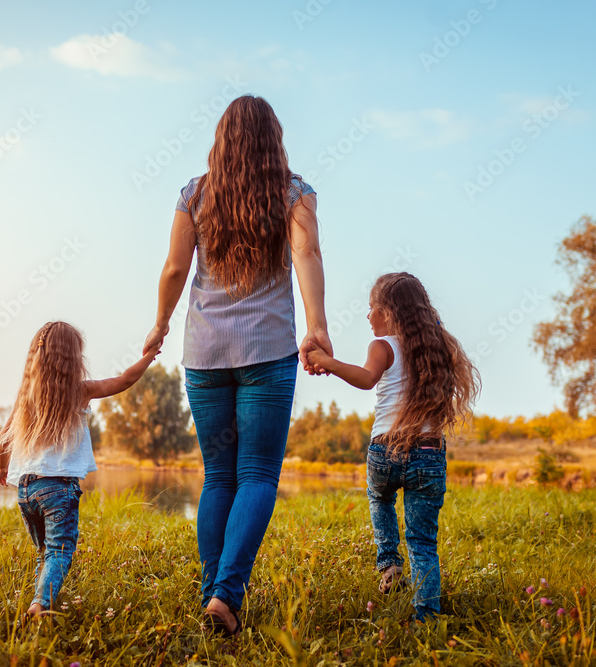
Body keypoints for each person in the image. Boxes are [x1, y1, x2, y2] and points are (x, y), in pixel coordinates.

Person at [142, 94, 330, 636]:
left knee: (218, 475)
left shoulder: (193, 194)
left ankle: (213, 594)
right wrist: (317, 326)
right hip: (267, 352)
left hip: (204, 355)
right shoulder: (294, 191)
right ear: (275, 138)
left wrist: (159, 323)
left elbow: (176, 268)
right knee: (257, 475)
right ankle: (226, 593)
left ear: (221, 138)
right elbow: (307, 255)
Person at [305, 272, 480, 621]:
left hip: (386, 451)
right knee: (423, 542)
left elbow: (367, 379)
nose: (367, 316)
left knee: (379, 497)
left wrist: (326, 363)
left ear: (387, 312)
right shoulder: (440, 349)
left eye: (371, 308)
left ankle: (389, 563)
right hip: (430, 455)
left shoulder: (382, 346)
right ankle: (426, 616)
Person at [0, 320, 160, 618]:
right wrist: (149, 356)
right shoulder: (79, 390)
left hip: (26, 489)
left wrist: (2, 469)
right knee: (59, 551)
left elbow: (3, 438)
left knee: (46, 551)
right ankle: (40, 606)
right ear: (73, 358)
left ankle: (39, 598)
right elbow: (124, 380)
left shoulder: (26, 397)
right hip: (58, 488)